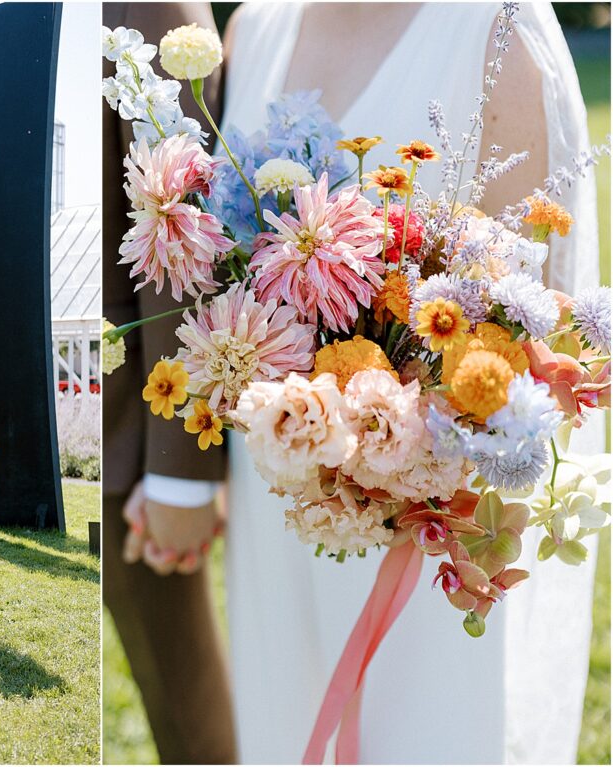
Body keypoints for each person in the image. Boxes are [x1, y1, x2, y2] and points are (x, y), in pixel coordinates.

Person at [218, 3, 603, 763]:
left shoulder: (499, 40)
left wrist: (383, 447)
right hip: (281, 501)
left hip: (423, 535)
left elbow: (513, 345)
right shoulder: (253, 29)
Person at [101, 3, 236, 763]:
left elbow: (186, 215)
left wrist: (183, 472)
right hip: (104, 410)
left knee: (188, 719)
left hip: (137, 437)